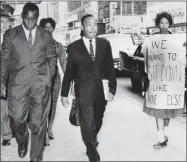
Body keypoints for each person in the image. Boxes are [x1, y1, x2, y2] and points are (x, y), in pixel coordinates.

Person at [0, 3, 56, 161]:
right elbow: (4, 61)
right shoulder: (11, 34)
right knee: (17, 119)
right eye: (27, 19)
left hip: (39, 85)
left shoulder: (46, 35)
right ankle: (22, 139)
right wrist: (2, 82)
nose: (30, 23)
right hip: (17, 85)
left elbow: (51, 58)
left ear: (37, 18)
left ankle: (36, 158)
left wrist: (48, 77)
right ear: (21, 17)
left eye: (33, 20)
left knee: (38, 124)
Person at [61, 14, 117, 161]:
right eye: (88, 24)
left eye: (94, 24)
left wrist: (112, 88)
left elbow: (110, 67)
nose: (92, 27)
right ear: (82, 27)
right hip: (82, 90)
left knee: (98, 118)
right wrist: (64, 94)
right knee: (87, 122)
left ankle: (89, 140)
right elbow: (69, 72)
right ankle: (92, 150)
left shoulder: (105, 44)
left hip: (100, 90)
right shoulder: (73, 47)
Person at [142, 12, 186, 149]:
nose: (164, 25)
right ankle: (161, 139)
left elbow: (181, 57)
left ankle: (164, 134)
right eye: (161, 23)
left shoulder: (176, 39)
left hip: (171, 82)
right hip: (156, 82)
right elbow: (146, 56)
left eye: (166, 23)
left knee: (167, 112)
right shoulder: (152, 39)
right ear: (157, 24)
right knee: (158, 110)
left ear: (170, 24)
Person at [39, 17, 66, 145]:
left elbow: (64, 64)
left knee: (53, 105)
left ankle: (49, 129)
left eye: (50, 27)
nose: (48, 29)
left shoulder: (58, 46)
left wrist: (70, 80)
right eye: (45, 27)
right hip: (40, 80)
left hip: (55, 79)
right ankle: (43, 132)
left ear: (53, 29)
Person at [0, 4, 15, 146]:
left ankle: (10, 131)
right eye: (2, 21)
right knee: (2, 109)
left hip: (10, 79)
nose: (5, 25)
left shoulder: (12, 39)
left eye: (7, 22)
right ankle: (6, 134)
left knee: (10, 109)